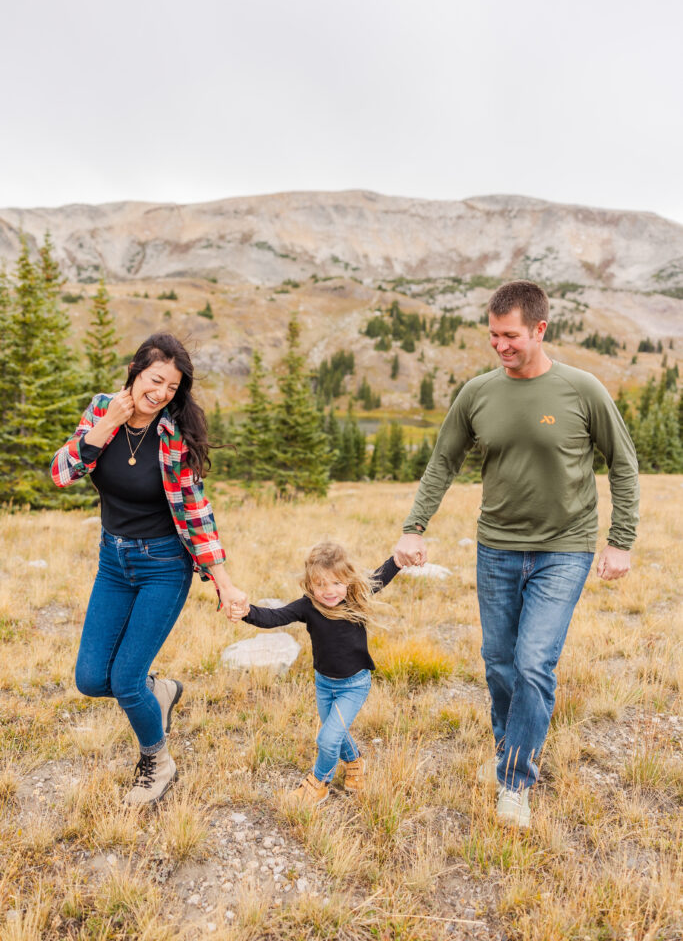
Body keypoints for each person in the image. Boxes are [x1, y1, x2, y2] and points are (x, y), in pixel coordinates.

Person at [393, 280, 639, 828]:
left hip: (565, 550)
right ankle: (511, 748)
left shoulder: (582, 389)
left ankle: (515, 780)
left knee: (533, 665)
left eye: (510, 336)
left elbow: (623, 463)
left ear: (539, 330)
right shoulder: (478, 393)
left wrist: (621, 540)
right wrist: (414, 527)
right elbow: (443, 463)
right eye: (492, 336)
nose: (500, 345)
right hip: (497, 550)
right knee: (499, 665)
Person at [51, 333, 247, 806]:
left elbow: (197, 511)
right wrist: (105, 428)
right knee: (92, 680)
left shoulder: (173, 434)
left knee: (125, 680)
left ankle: (157, 762)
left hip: (163, 566)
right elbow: (61, 473)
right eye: (155, 380)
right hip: (112, 561)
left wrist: (223, 582)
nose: (161, 393)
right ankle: (161, 692)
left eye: (172, 387)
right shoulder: (102, 409)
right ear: (136, 371)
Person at [237, 541, 399, 808]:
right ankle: (356, 762)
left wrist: (399, 560)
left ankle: (319, 782)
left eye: (336, 583)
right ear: (310, 584)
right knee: (336, 732)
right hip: (324, 684)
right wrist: (247, 612)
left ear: (347, 580)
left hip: (354, 684)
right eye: (321, 584)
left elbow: (380, 577)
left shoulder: (356, 597)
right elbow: (274, 616)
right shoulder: (308, 606)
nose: (329, 591)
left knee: (327, 737)